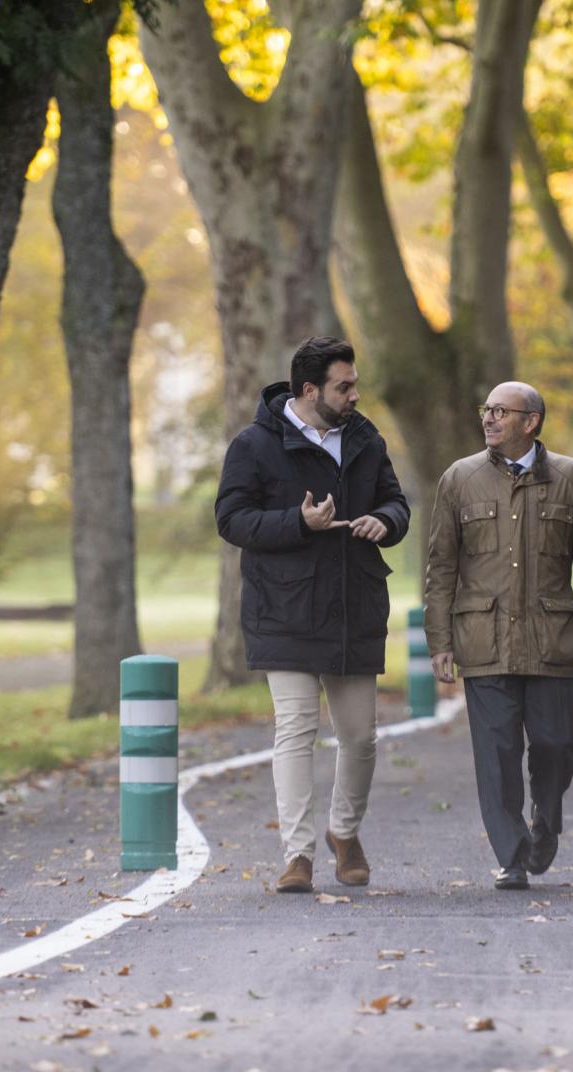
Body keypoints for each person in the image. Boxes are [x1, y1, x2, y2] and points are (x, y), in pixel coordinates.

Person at [214, 336, 410, 895]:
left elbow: (396, 502)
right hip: (285, 607)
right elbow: (231, 520)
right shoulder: (253, 445)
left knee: (360, 737)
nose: (354, 395)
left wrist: (384, 522)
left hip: (354, 605)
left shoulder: (367, 439)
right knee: (295, 730)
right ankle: (296, 854)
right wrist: (298, 523)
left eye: (354, 384)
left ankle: (343, 833)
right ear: (309, 390)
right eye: (343, 386)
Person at [423, 382, 573, 890]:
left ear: (531, 422)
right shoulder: (459, 479)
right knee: (497, 753)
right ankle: (512, 854)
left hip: (550, 639)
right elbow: (441, 567)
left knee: (557, 742)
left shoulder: (572, 479)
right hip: (483, 640)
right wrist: (439, 641)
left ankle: (545, 820)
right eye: (486, 409)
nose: (489, 418)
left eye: (501, 411)